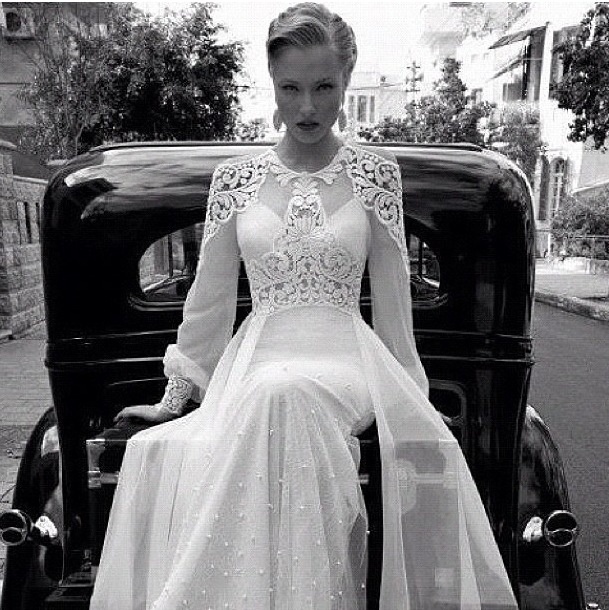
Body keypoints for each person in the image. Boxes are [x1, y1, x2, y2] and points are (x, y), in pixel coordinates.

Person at [90, 3, 518, 609]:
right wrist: (176, 399)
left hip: (348, 357)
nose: (308, 107)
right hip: (258, 357)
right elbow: (209, 302)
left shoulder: (376, 175)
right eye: (291, 88)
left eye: (325, 87)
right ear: (272, 83)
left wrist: (414, 405)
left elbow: (394, 308)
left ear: (347, 80)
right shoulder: (234, 180)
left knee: (284, 393)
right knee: (251, 404)